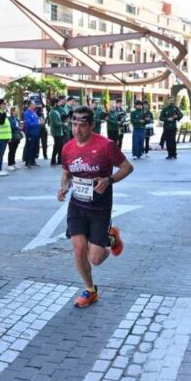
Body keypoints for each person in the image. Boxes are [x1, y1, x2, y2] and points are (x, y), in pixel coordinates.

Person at [57, 105, 133, 308]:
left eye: (82, 125)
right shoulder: (67, 148)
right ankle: (90, 290)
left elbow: (127, 167)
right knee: (79, 250)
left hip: (100, 208)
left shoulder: (105, 146)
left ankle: (111, 236)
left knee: (96, 258)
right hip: (77, 206)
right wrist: (64, 188)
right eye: (74, 124)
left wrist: (109, 180)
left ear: (92, 125)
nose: (77, 130)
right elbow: (66, 173)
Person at [48, 97, 67, 166]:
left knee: (60, 146)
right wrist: (63, 124)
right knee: (56, 147)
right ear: (56, 103)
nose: (60, 103)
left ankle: (59, 160)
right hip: (56, 132)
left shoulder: (56, 111)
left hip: (59, 131)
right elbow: (55, 123)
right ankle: (53, 160)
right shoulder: (53, 112)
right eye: (58, 102)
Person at [23, 100, 41, 167]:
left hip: (36, 132)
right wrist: (37, 123)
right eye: (34, 104)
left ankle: (33, 160)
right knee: (29, 147)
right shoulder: (27, 113)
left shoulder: (34, 112)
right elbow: (29, 123)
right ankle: (28, 161)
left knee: (35, 147)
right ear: (30, 105)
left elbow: (36, 120)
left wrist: (39, 121)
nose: (35, 105)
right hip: (30, 133)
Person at [7, 106, 22, 170]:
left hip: (17, 136)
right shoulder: (9, 118)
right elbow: (11, 127)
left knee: (14, 150)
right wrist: (17, 128)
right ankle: (9, 164)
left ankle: (13, 163)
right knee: (11, 150)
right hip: (11, 136)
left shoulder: (17, 119)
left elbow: (18, 126)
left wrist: (19, 128)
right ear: (12, 111)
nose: (17, 112)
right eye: (16, 110)